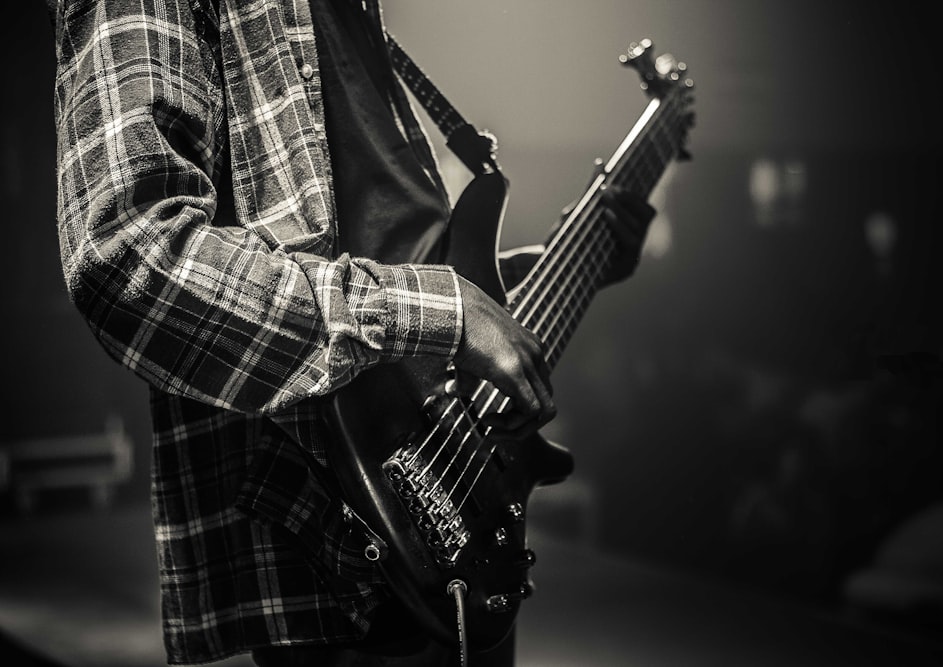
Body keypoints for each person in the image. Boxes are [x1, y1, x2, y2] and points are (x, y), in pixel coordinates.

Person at [45, 0, 655, 664]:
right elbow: (131, 256)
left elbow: (395, 252)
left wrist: (527, 279)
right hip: (336, 548)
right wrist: (444, 312)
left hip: (459, 517)